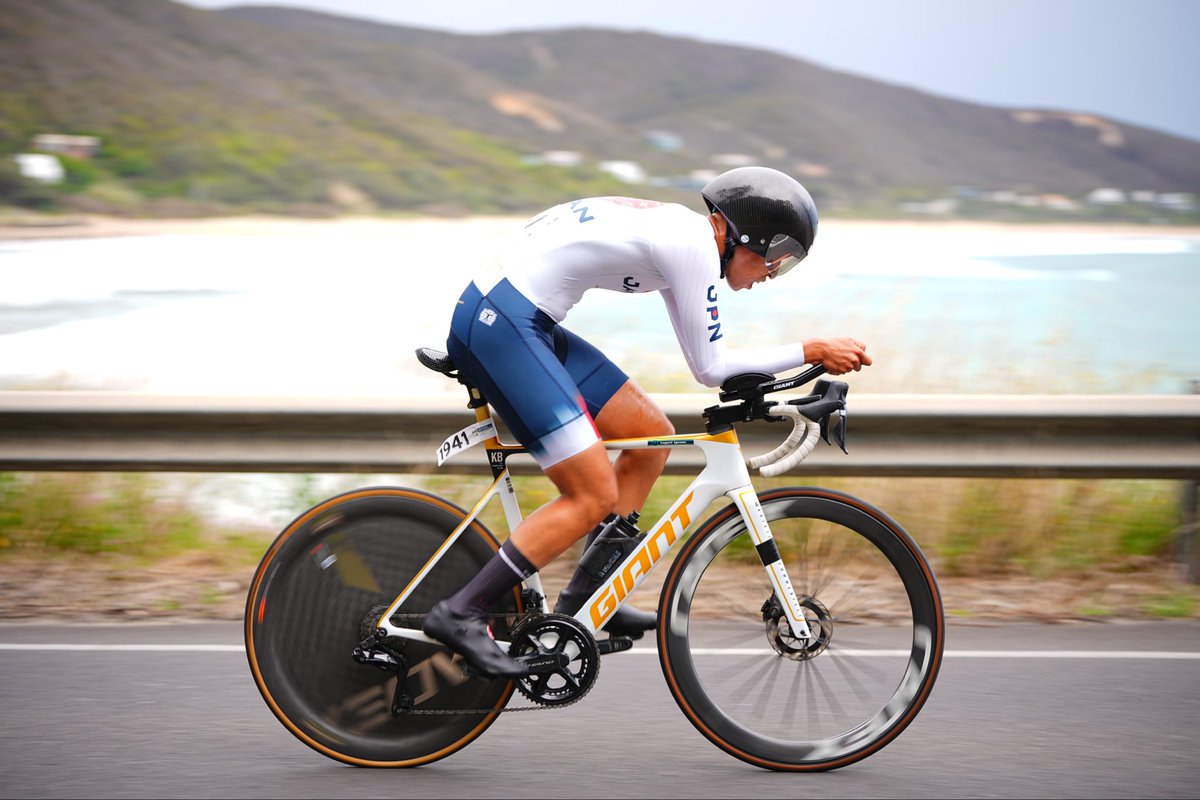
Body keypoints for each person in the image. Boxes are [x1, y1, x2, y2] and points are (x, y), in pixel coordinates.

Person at [422, 166, 872, 678]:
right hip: (500, 323)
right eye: (777, 259)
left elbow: (705, 360)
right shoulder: (693, 247)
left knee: (648, 437)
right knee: (591, 495)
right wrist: (810, 349)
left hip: (522, 318)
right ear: (749, 235)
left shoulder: (685, 240)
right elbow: (712, 368)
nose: (771, 273)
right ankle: (459, 613)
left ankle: (589, 601)